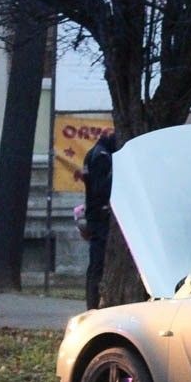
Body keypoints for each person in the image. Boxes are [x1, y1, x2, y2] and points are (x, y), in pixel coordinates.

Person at [81, 129, 117, 310]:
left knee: (96, 264)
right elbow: (101, 188)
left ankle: (92, 303)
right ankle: (93, 305)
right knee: (98, 263)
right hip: (101, 216)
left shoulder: (91, 154)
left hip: (94, 215)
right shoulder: (103, 156)